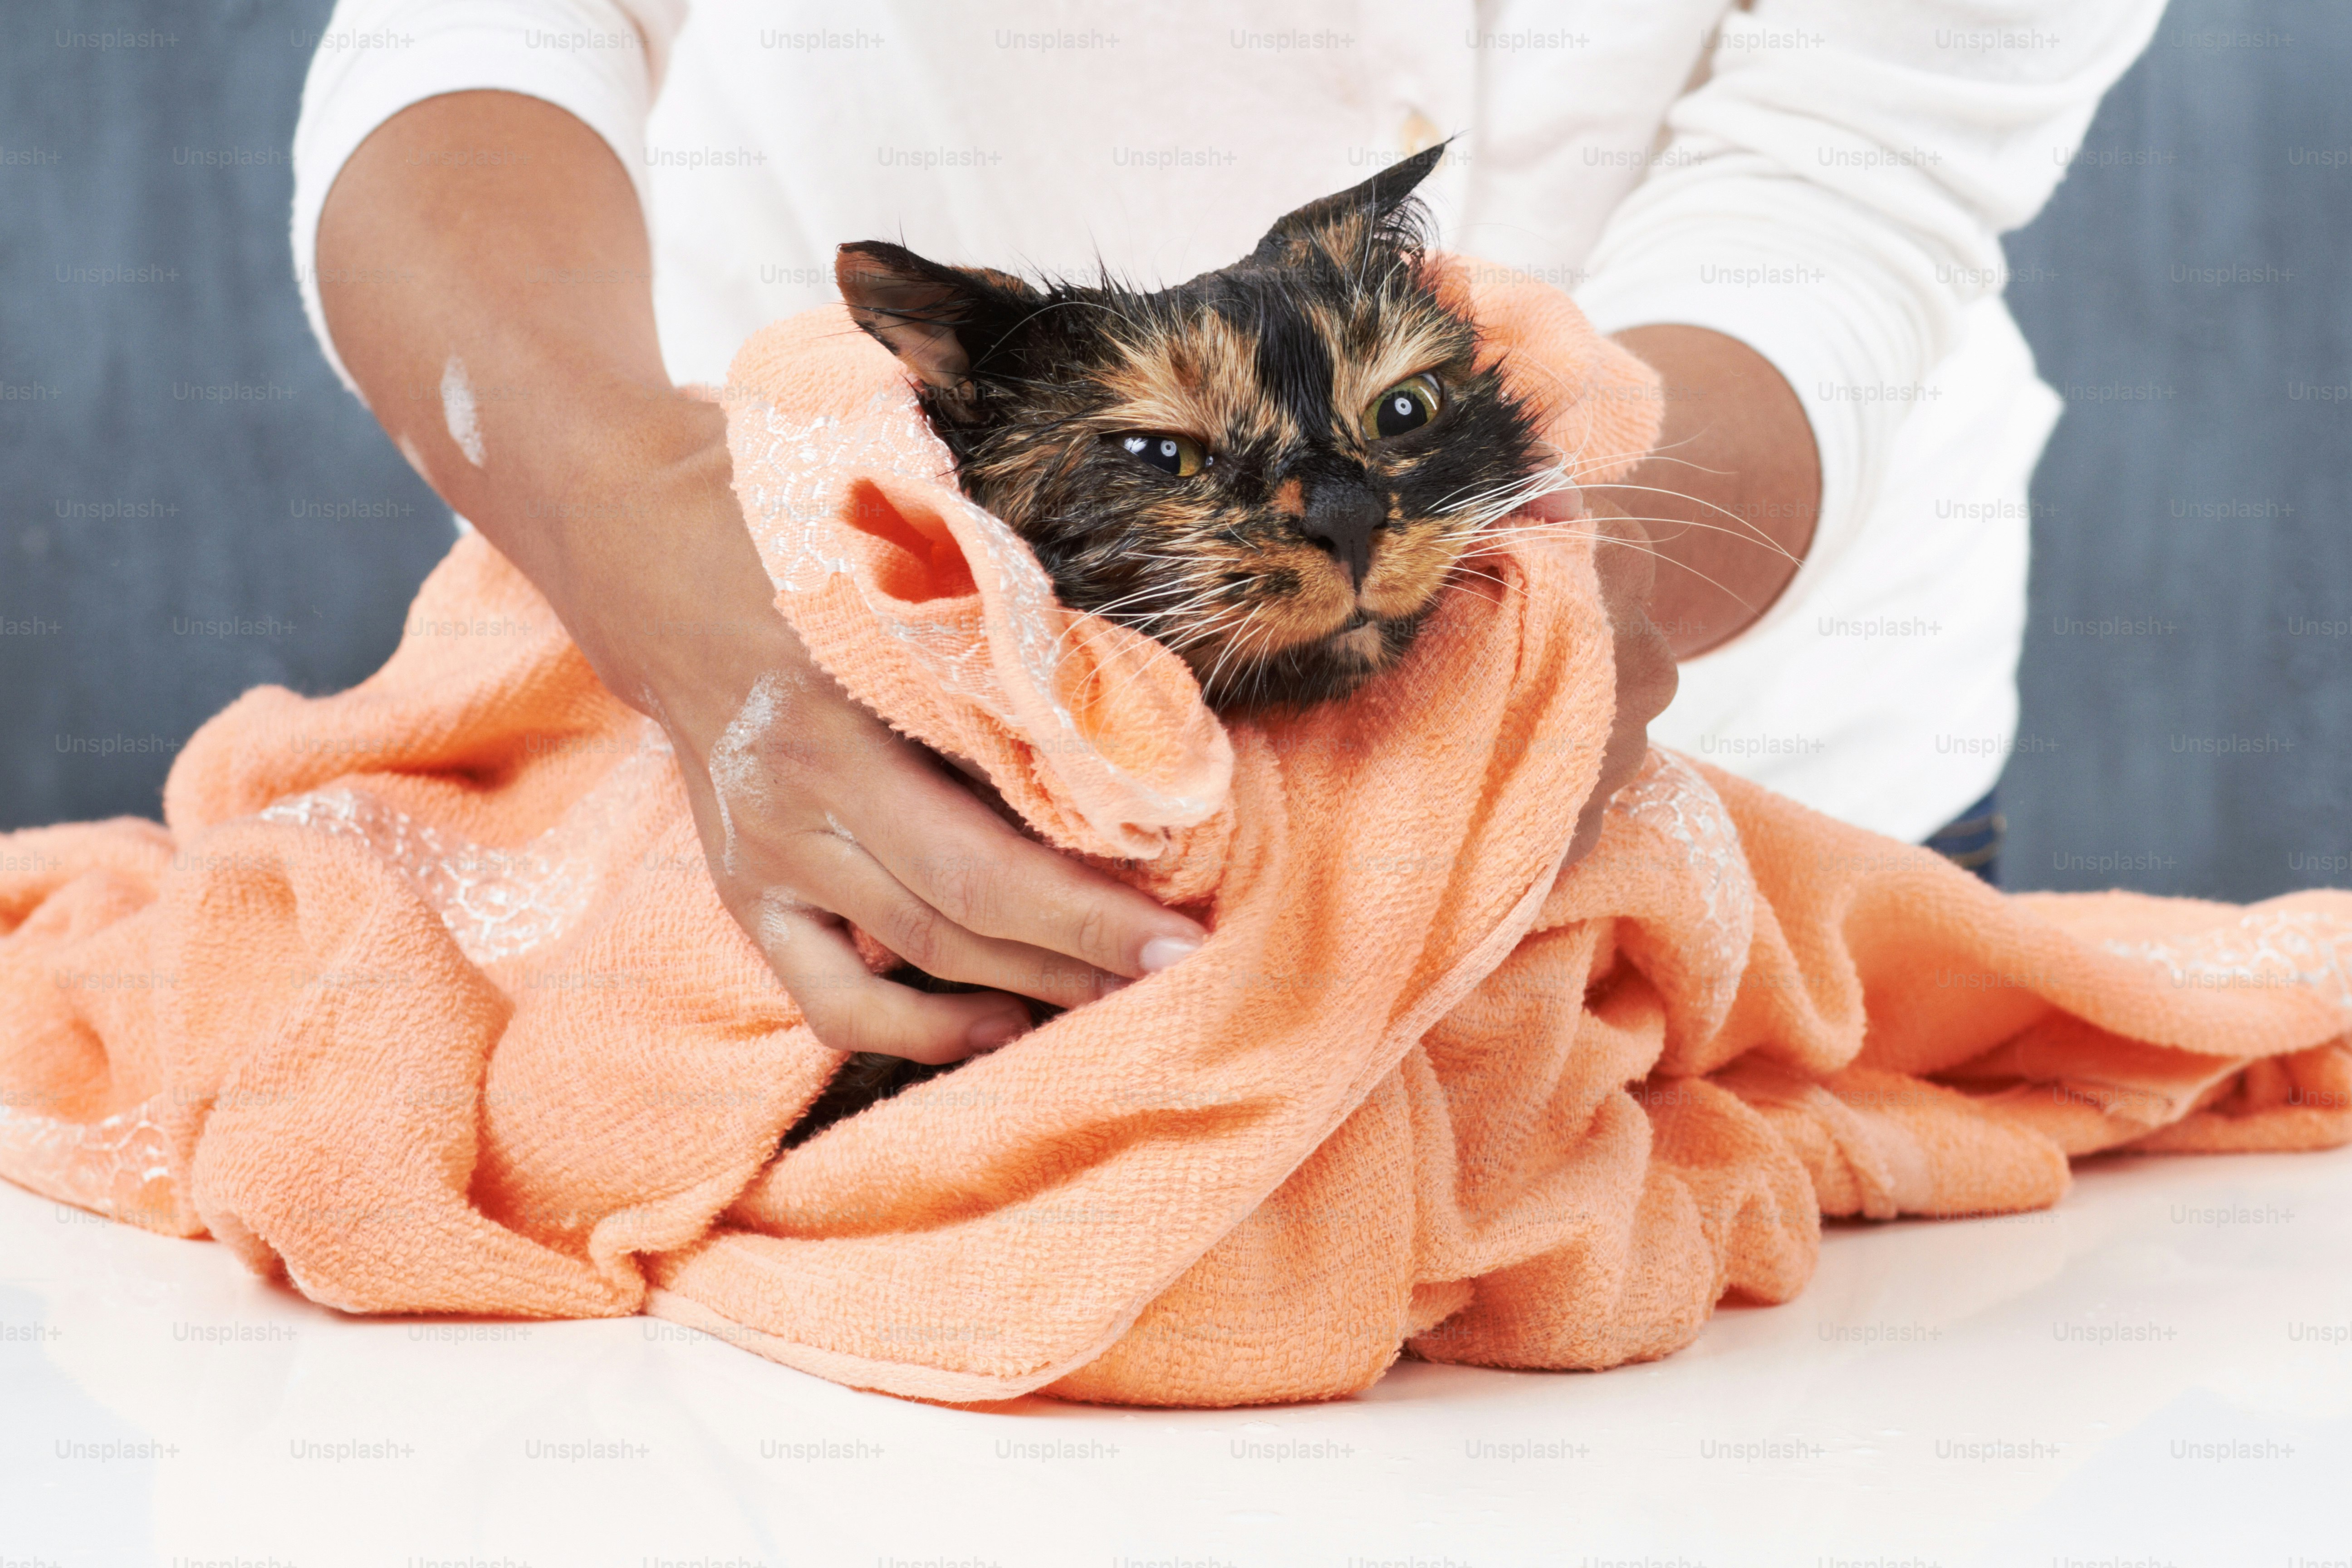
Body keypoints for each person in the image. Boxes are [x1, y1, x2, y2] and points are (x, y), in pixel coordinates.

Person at [290, 0, 2164, 1067]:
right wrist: (668, 565)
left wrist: (1559, 644)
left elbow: (1863, 160)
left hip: (1752, 788)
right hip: (828, 788)